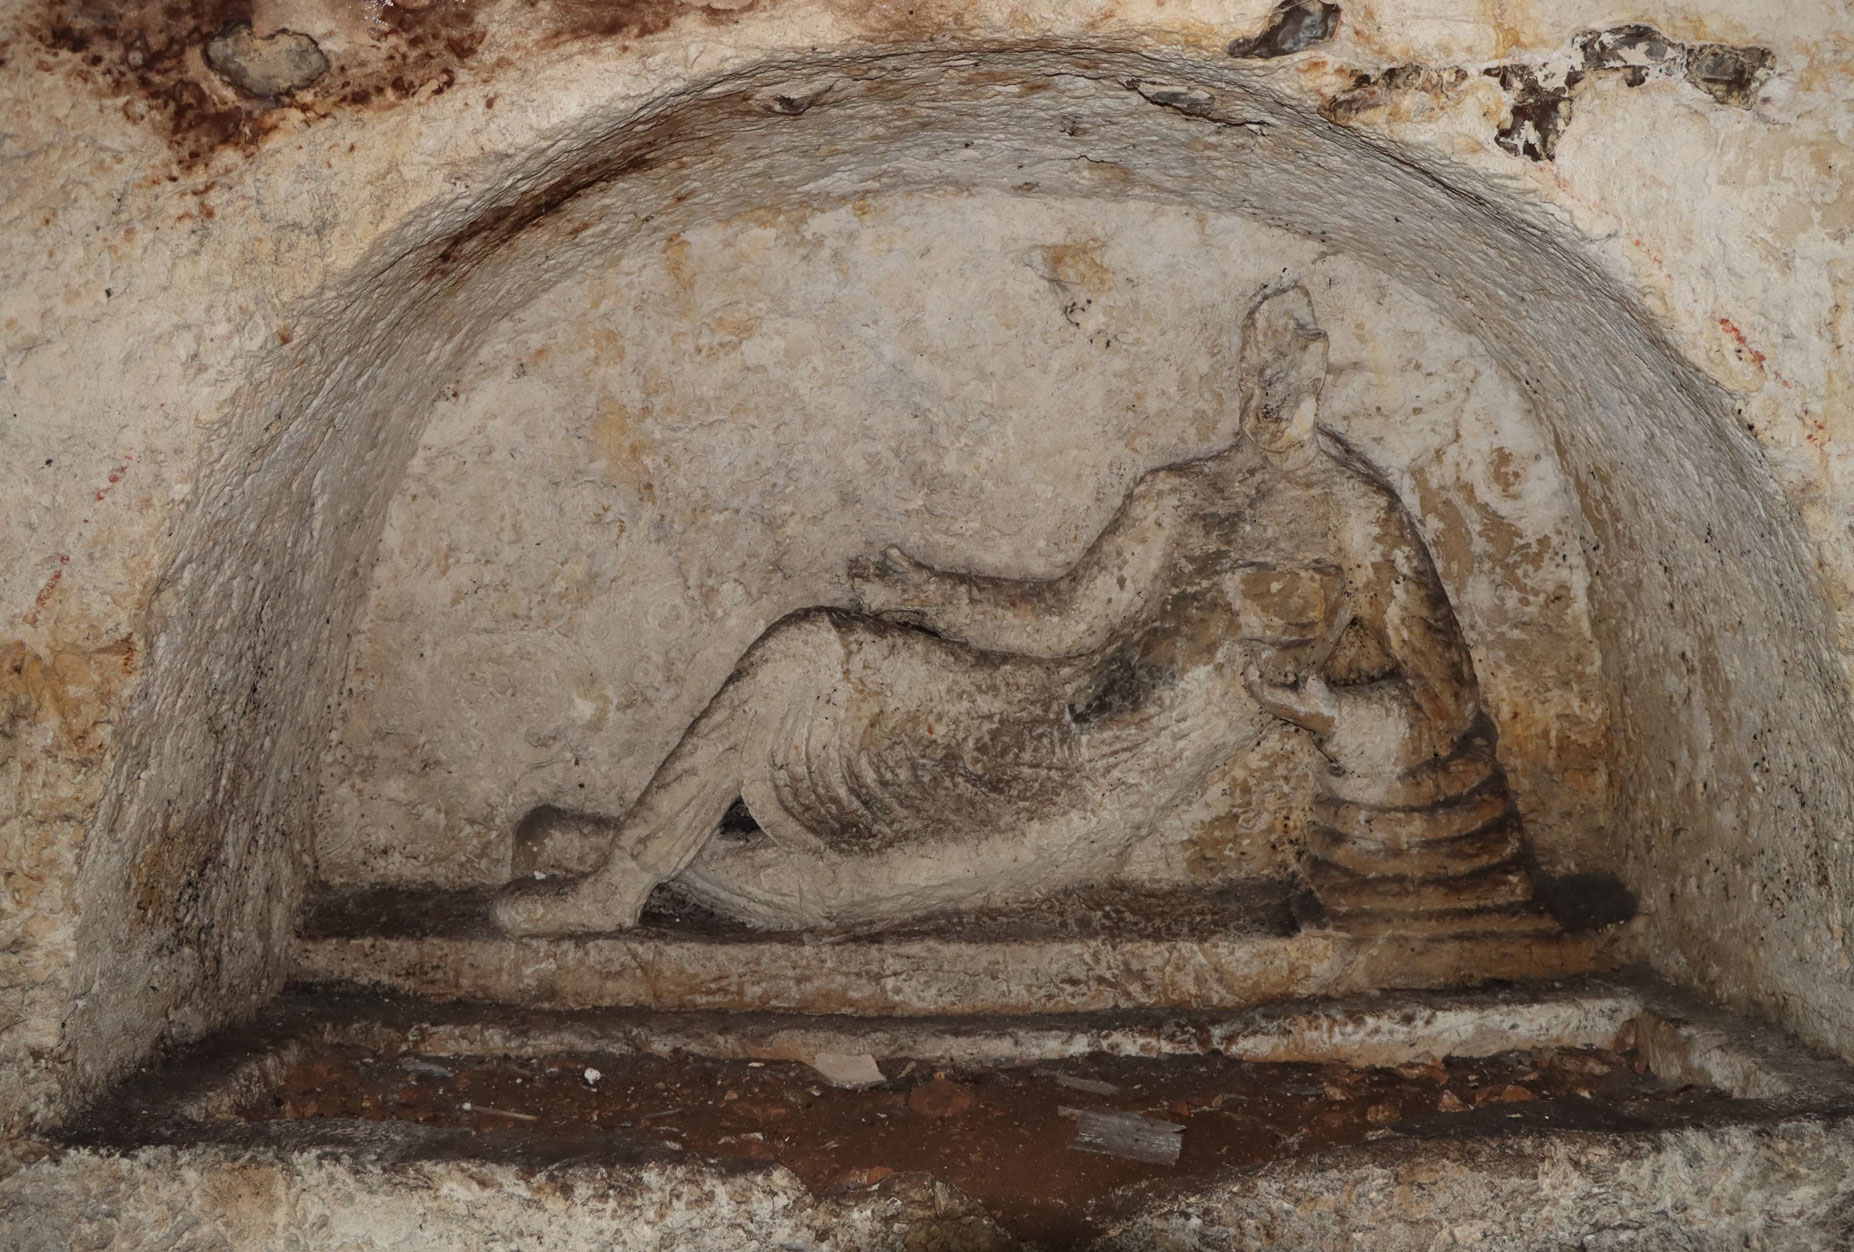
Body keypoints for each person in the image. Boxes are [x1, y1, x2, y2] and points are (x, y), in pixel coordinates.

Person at [494, 285, 1527, 935]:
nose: (1274, 373)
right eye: (1263, 348)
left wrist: (1329, 712)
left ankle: (611, 841)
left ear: (1320, 371)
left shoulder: (1358, 518)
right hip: (1026, 709)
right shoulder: (1182, 493)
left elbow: (1441, 698)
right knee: (808, 653)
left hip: (1107, 789)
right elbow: (1064, 623)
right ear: (1246, 365)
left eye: (1295, 353)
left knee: (840, 898)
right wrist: (927, 596)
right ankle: (617, 881)